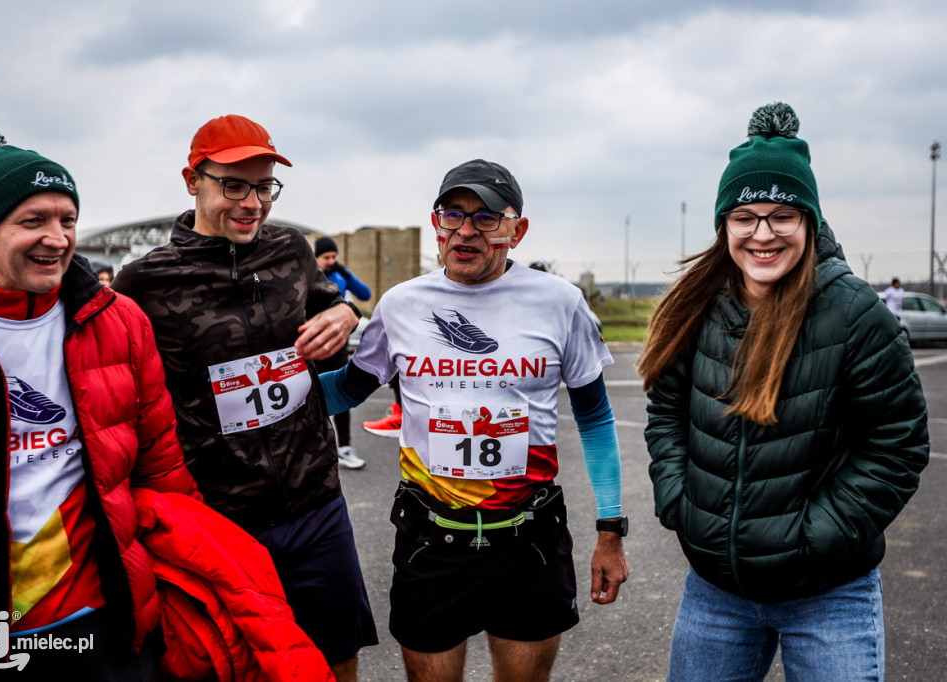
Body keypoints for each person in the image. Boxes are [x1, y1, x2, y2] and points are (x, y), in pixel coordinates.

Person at [637, 103, 929, 681]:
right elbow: (666, 410)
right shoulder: (697, 305)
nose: (762, 233)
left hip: (828, 593)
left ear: (810, 222)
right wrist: (679, 500)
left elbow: (897, 445)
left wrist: (810, 540)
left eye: (781, 215)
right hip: (715, 590)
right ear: (724, 226)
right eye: (744, 216)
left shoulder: (855, 313)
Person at [321, 159, 629, 682]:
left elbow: (596, 418)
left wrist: (611, 530)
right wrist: (264, 383)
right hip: (430, 538)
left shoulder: (560, 302)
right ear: (436, 222)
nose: (466, 231)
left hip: (528, 539)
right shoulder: (401, 305)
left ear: (517, 230)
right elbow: (347, 390)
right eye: (453, 216)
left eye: (486, 218)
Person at [0, 126, 200, 679]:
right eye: (33, 221)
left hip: (100, 616)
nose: (57, 237)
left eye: (67, 220)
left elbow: (162, 466)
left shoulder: (118, 321)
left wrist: (181, 586)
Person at [112, 114, 377, 681]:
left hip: (317, 502)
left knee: (336, 660)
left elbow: (328, 309)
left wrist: (342, 314)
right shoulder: (143, 282)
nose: (252, 202)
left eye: (264, 187)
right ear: (193, 180)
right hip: (222, 519)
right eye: (234, 184)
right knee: (239, 668)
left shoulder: (290, 250)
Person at [314, 236, 371, 469]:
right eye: (327, 257)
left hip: (338, 346)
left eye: (334, 256)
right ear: (316, 258)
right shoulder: (307, 275)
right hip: (314, 348)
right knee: (313, 397)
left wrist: (347, 274)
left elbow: (365, 295)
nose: (331, 260)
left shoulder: (340, 275)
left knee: (342, 393)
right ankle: (316, 451)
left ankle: (345, 448)